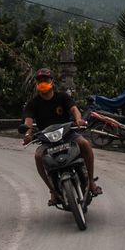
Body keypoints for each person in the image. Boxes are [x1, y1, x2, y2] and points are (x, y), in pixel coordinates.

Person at [22, 68, 102, 204]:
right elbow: (28, 123)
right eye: (39, 81)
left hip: (68, 134)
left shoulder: (62, 97)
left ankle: (91, 182)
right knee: (38, 156)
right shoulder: (33, 103)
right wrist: (27, 134)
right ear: (36, 84)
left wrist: (78, 120)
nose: (42, 83)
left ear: (52, 82)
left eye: (45, 80)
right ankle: (52, 190)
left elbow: (74, 109)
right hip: (47, 140)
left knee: (85, 145)